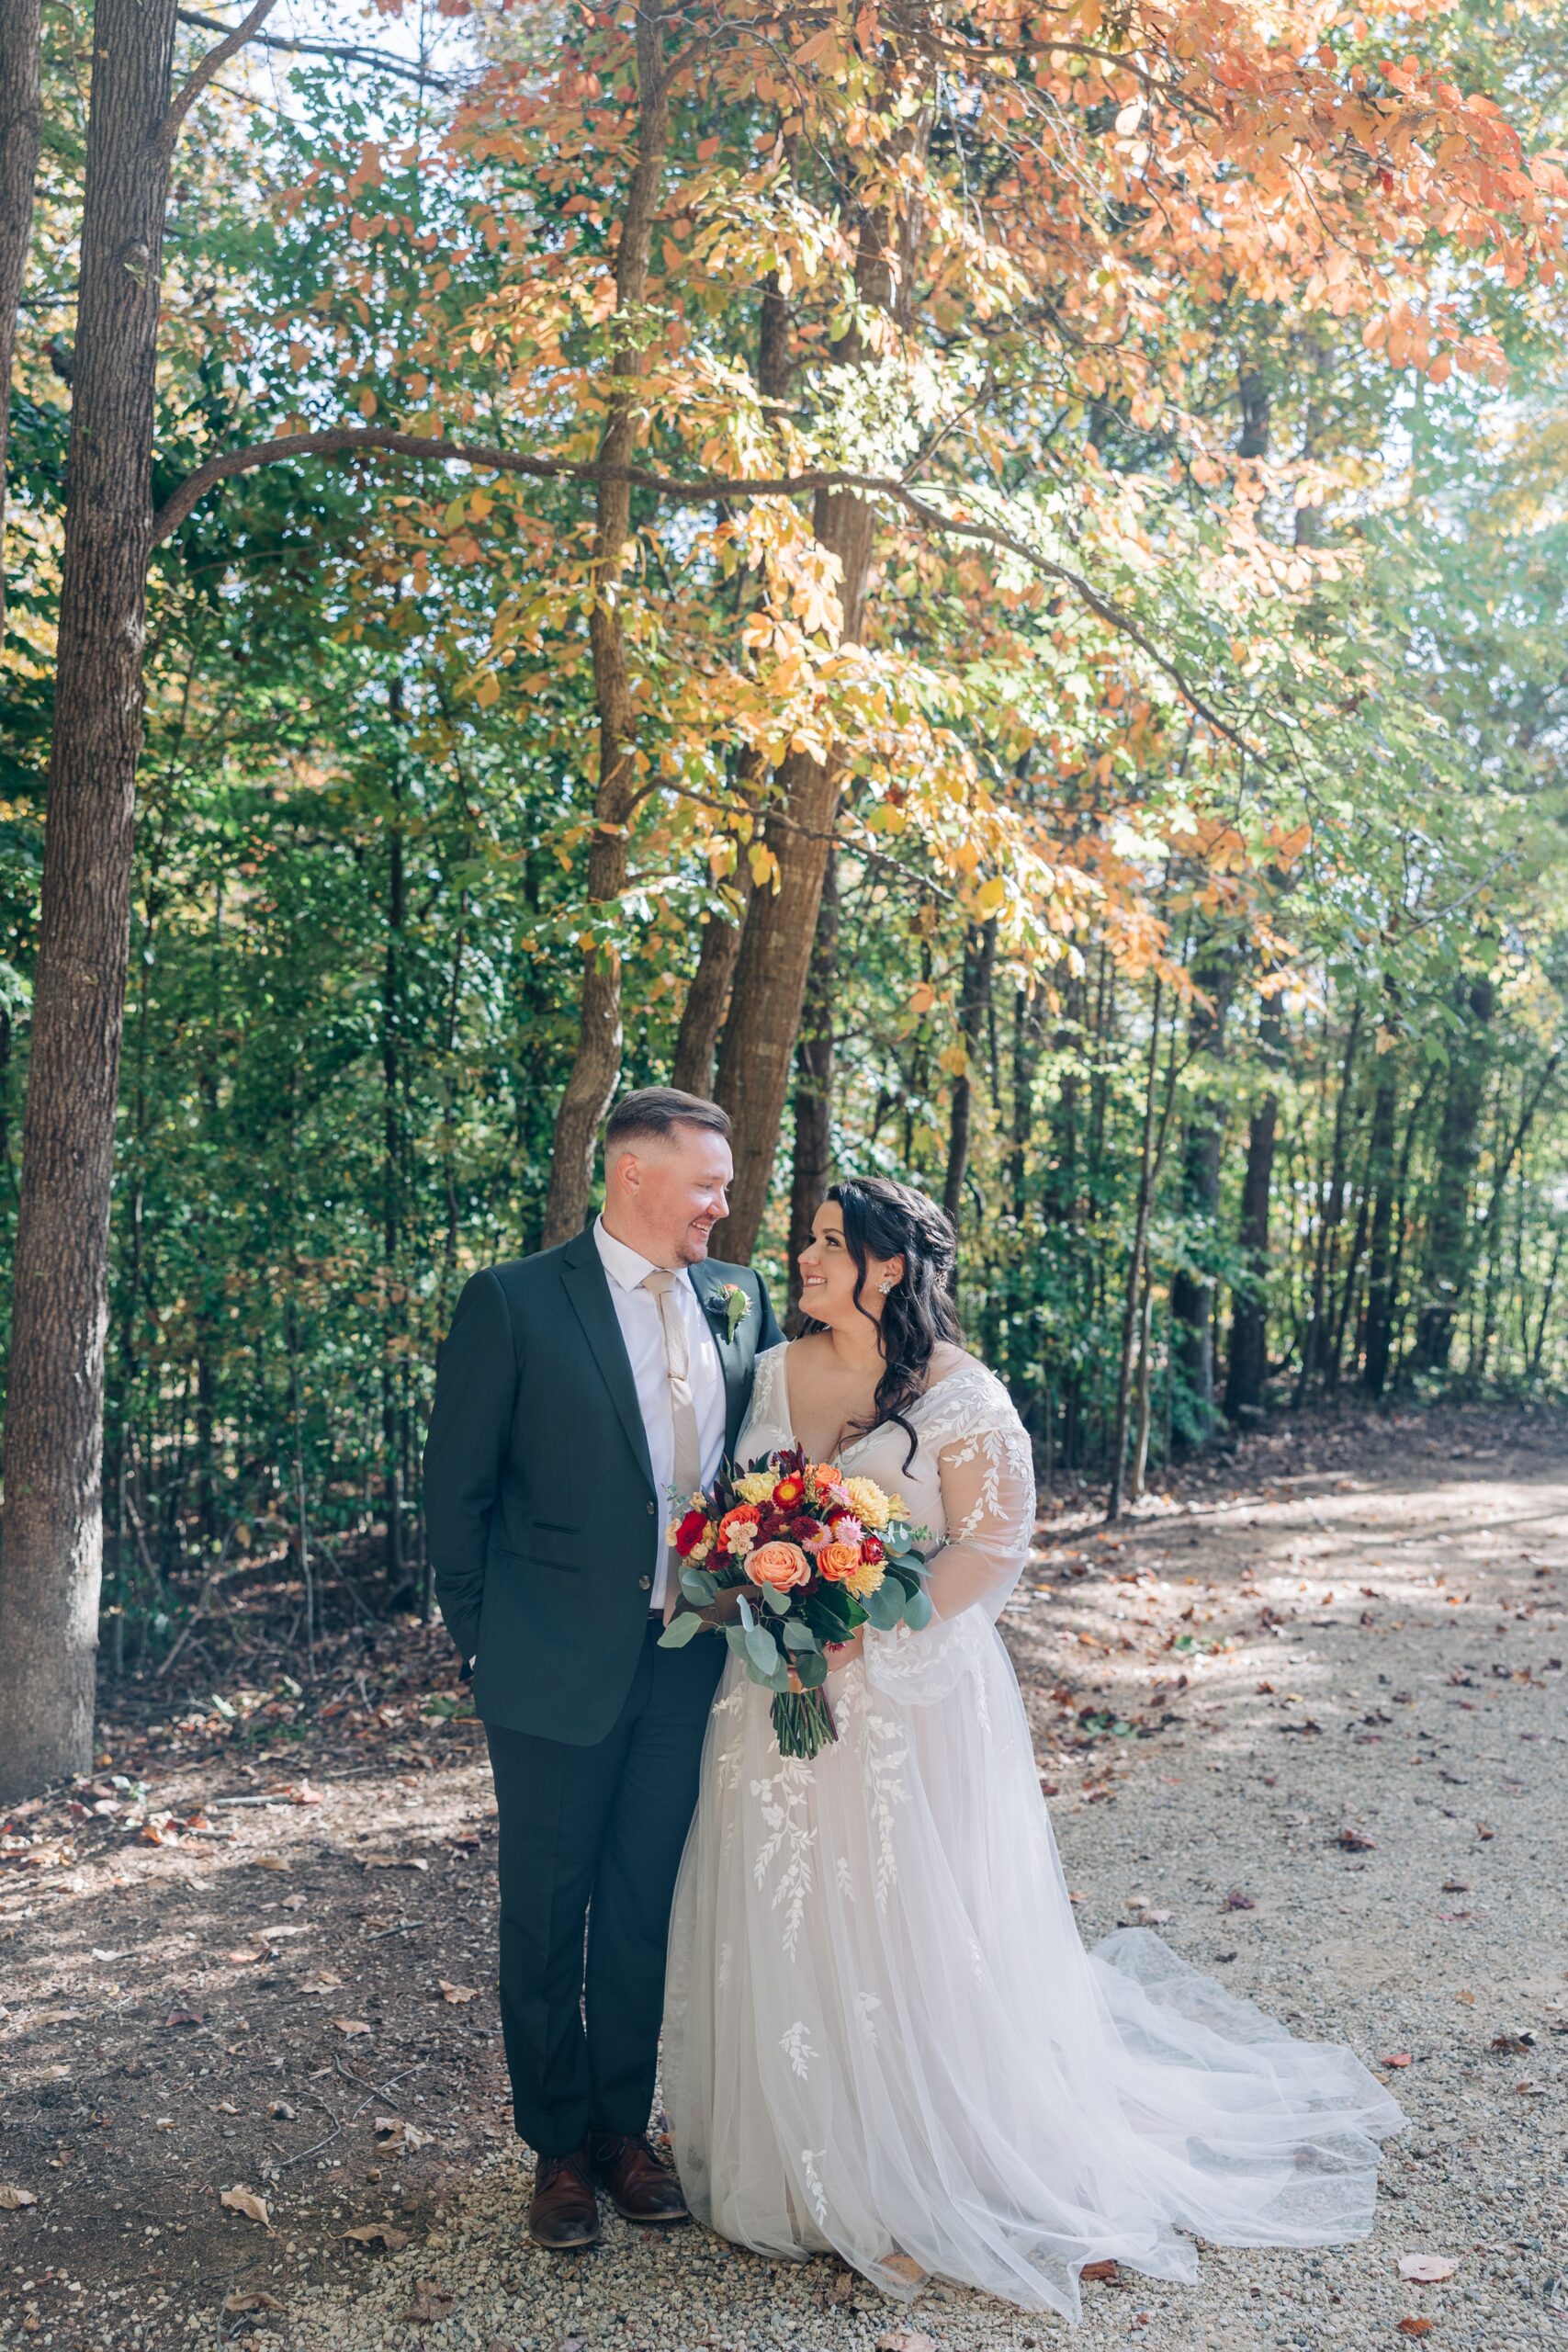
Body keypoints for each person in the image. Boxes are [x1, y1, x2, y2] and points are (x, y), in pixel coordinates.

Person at [663, 1175, 1404, 2323]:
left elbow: (992, 1549)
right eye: (807, 1238)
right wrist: (763, 1611)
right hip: (772, 1694)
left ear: (890, 1267)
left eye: (826, 1242)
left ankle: (920, 2164)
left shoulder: (963, 1395)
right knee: (784, 1909)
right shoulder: (768, 1371)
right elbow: (730, 1514)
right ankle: (795, 2165)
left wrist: (854, 1641)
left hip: (908, 1699)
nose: (801, 1257)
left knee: (908, 1918)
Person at [423, 1087, 783, 2251]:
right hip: (547, 1666)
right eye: (707, 1185)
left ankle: (627, 2132)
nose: (722, 1208)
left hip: (689, 1661)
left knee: (641, 1906)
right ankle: (558, 2148)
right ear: (634, 1175)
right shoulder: (516, 1303)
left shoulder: (738, 1299)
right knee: (544, 1912)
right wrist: (484, 1646)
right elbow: (456, 1497)